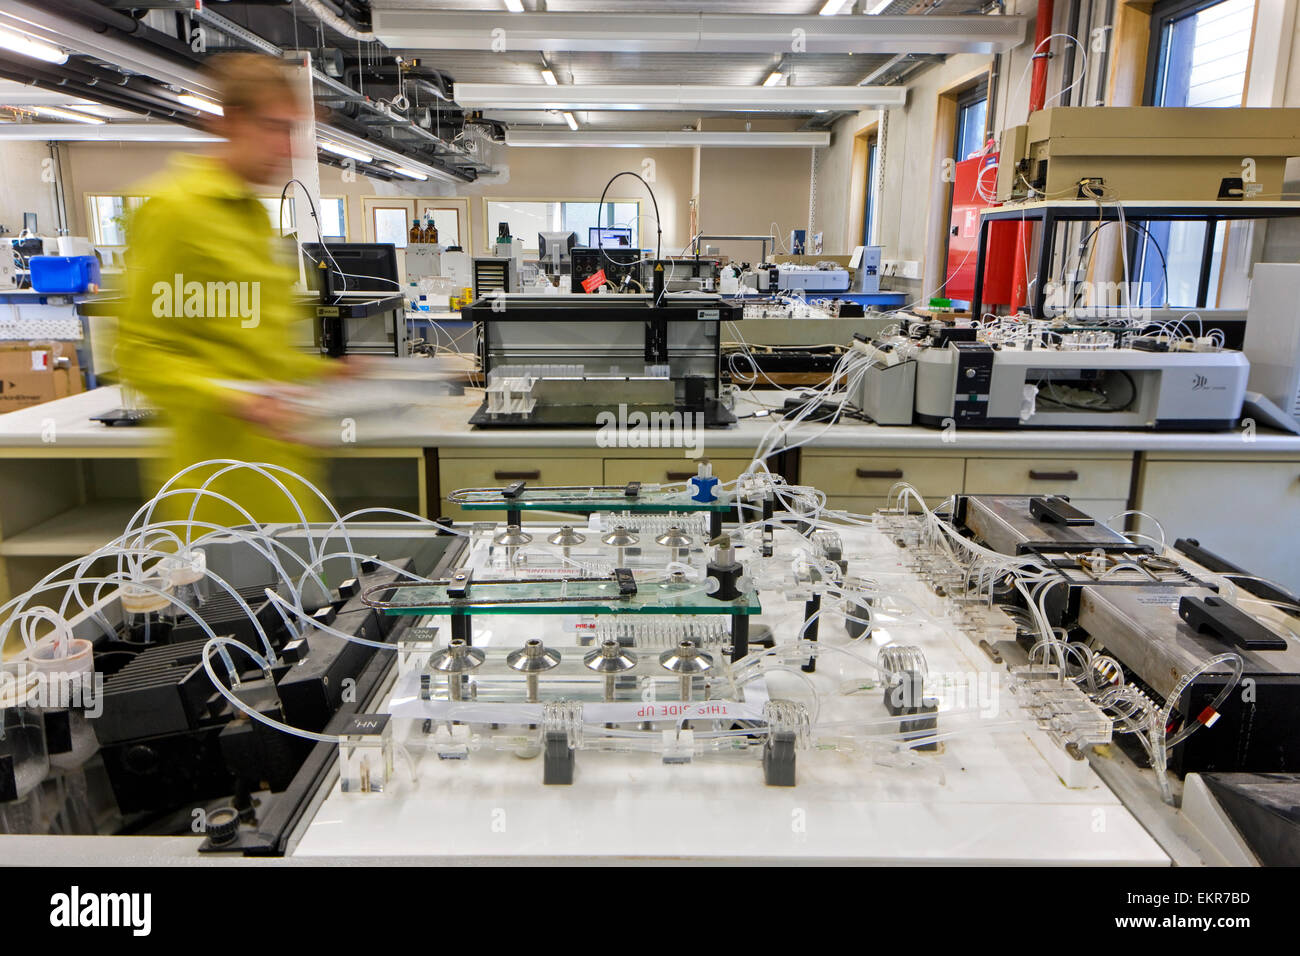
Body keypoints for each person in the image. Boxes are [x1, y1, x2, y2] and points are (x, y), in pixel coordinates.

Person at [117, 53, 346, 526]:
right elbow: (141, 352)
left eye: (292, 132)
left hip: (280, 465)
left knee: (309, 594)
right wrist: (239, 400)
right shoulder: (175, 211)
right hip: (219, 481)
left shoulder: (252, 214)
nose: (284, 147)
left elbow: (252, 344)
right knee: (234, 600)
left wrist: (323, 373)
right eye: (272, 127)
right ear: (228, 120)